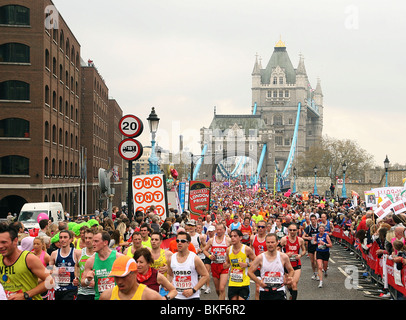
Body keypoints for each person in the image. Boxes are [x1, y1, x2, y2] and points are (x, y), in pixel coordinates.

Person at [0, 222, 51, 300]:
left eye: (4, 242)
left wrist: (25, 295)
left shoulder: (29, 258)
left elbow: (50, 281)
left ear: (15, 241)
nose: (0, 246)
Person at [248, 233, 294, 300]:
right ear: (265, 243)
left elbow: (291, 270)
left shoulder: (283, 257)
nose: (270, 244)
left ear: (277, 242)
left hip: (279, 290)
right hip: (265, 291)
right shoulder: (260, 257)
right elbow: (250, 272)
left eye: (272, 242)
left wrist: (288, 278)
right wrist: (259, 282)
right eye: (268, 242)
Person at [99, 255, 164, 300]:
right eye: (116, 277)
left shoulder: (150, 297)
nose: (119, 282)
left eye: (123, 277)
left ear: (135, 273)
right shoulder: (106, 296)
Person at [167, 231, 209, 300]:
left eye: (183, 241)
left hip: (192, 297)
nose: (179, 243)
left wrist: (193, 290)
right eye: (177, 241)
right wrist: (169, 284)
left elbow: (205, 275)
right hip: (176, 296)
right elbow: (170, 274)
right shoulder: (171, 258)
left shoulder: (194, 258)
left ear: (188, 243)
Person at [82, 230, 122, 300]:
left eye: (96, 241)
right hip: (99, 298)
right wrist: (88, 280)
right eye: (93, 241)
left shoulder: (118, 258)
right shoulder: (90, 261)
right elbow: (82, 283)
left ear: (105, 242)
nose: (93, 244)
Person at [49, 229, 81, 300]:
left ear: (71, 239)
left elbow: (83, 269)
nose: (62, 240)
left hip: (71, 289)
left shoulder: (77, 253)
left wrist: (78, 279)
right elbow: (48, 271)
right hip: (58, 289)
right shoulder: (54, 254)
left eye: (65, 237)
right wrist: (57, 272)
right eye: (61, 237)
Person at [224, 229, 256, 300]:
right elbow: (228, 262)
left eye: (235, 236)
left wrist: (247, 264)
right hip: (232, 282)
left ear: (240, 238)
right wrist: (226, 265)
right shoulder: (228, 250)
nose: (232, 238)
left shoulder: (246, 249)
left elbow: (256, 261)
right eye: (231, 236)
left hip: (244, 282)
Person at [203, 223, 231, 300]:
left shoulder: (228, 240)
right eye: (217, 229)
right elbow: (204, 250)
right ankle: (222, 297)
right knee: (218, 289)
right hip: (215, 266)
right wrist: (209, 256)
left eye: (220, 229)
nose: (219, 231)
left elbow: (235, 250)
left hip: (224, 266)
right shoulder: (211, 240)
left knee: (222, 288)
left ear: (224, 230)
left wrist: (229, 262)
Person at [279, 223, 306, 300]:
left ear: (297, 230)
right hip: (286, 265)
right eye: (290, 230)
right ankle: (291, 292)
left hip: (296, 264)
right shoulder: (284, 239)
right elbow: (277, 250)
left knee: (294, 284)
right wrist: (285, 254)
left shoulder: (300, 240)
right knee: (289, 284)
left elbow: (304, 250)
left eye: (294, 230)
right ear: (288, 230)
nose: (292, 231)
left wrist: (300, 255)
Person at [76, 228, 95, 300]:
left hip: (95, 292)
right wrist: (76, 277)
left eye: (90, 238)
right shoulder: (79, 253)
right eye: (86, 238)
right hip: (82, 292)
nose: (87, 240)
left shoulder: (99, 254)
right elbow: (77, 267)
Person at [251, 219, 267, 300]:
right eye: (259, 227)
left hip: (267, 267)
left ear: (266, 228)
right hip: (257, 267)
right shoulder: (253, 238)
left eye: (262, 227)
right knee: (258, 288)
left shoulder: (269, 239)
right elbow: (250, 251)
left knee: (266, 289)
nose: (260, 228)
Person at [302, 214, 319, 280]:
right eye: (311, 220)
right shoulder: (308, 227)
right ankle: (314, 273)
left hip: (317, 246)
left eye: (314, 219)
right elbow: (303, 236)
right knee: (312, 261)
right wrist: (308, 237)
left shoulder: (319, 226)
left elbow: (324, 234)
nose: (313, 221)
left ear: (316, 219)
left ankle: (318, 273)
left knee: (315, 259)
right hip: (310, 245)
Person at [315, 224, 333, 288]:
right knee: (320, 267)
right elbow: (314, 241)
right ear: (318, 229)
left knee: (324, 267)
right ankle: (321, 282)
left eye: (322, 229)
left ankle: (325, 270)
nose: (321, 230)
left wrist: (324, 243)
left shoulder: (326, 236)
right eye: (320, 228)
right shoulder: (317, 235)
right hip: (319, 252)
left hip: (325, 253)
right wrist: (314, 242)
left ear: (324, 229)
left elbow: (330, 245)